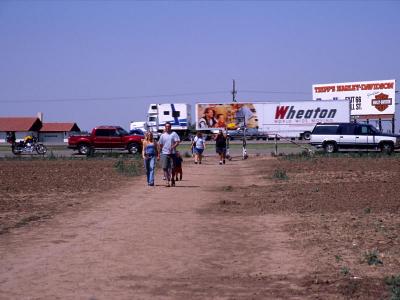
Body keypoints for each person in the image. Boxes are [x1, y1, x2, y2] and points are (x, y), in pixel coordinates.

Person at [158, 122, 180, 187]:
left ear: (170, 127)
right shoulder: (162, 135)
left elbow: (177, 142)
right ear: (165, 127)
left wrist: (173, 147)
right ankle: (167, 181)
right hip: (164, 153)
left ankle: (172, 179)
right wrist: (159, 153)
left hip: (172, 153)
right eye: (166, 126)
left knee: (173, 168)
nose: (167, 127)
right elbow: (160, 144)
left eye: (169, 126)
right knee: (165, 168)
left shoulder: (174, 134)